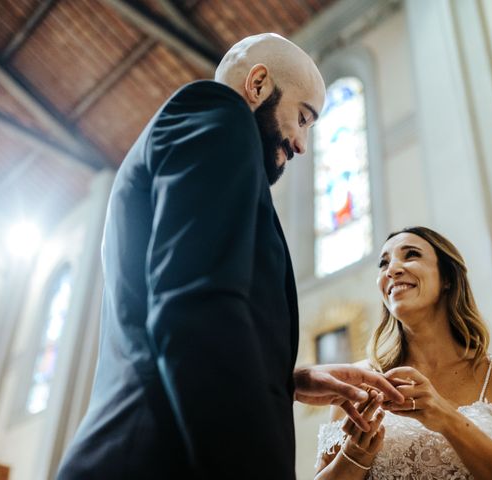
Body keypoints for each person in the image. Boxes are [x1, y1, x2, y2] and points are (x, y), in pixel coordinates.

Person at [56, 33, 403, 480]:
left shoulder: (204, 140)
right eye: (301, 117)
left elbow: (183, 301)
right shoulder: (217, 112)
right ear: (258, 84)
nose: (301, 144)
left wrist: (284, 380)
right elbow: (194, 307)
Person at [316, 226, 492, 479]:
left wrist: (446, 418)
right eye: (383, 263)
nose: (391, 270)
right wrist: (354, 456)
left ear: (447, 277)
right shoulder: (358, 381)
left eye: (411, 254)